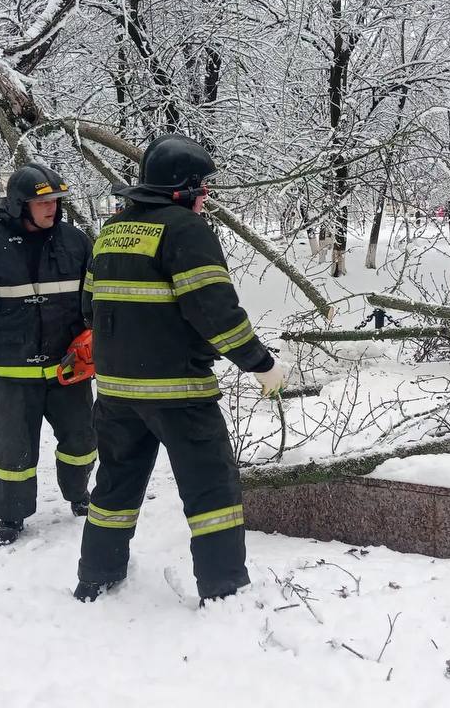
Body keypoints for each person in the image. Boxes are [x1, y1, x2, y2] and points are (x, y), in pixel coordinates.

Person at [74, 134, 287, 603]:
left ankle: (96, 575)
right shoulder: (187, 231)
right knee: (212, 491)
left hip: (115, 392)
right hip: (178, 392)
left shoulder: (112, 231)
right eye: (204, 186)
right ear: (183, 188)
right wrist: (261, 363)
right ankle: (224, 587)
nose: (207, 195)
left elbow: (88, 306)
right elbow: (215, 312)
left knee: (115, 485)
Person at [0, 163, 97, 546]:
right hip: (12, 375)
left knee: (82, 443)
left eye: (56, 201)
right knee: (12, 453)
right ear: (18, 205)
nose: (51, 209)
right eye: (42, 202)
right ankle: (11, 517)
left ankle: (80, 495)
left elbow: (97, 296)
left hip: (69, 370)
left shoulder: (76, 242)